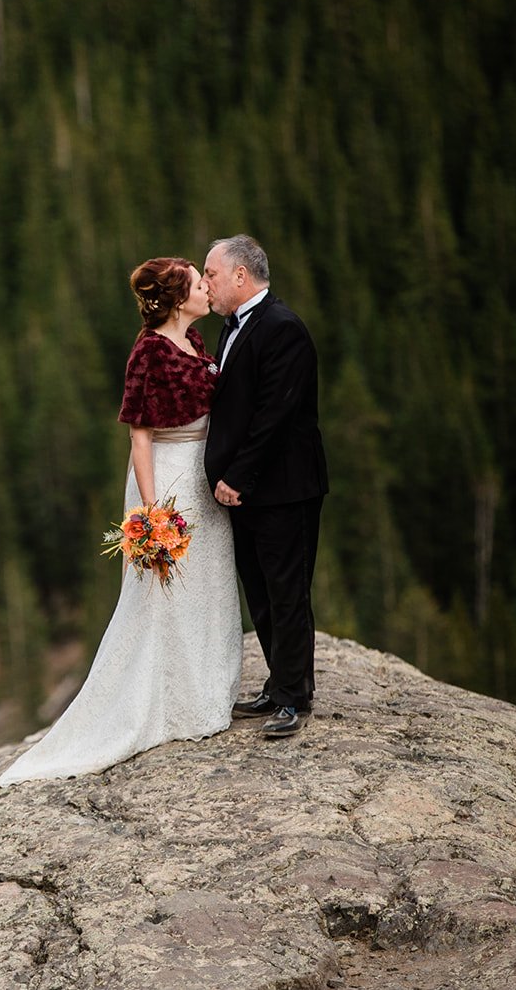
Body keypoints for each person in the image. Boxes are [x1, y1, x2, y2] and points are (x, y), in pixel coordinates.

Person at [0, 257, 242, 784]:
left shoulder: (197, 344)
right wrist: (151, 511)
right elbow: (140, 435)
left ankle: (204, 694)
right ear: (179, 300)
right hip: (169, 476)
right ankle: (161, 702)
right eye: (200, 283)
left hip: (202, 473)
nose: (207, 288)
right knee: (165, 591)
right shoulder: (148, 351)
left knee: (209, 581)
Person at [201, 235, 328, 738]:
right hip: (252, 489)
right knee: (259, 588)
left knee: (287, 590)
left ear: (239, 275)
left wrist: (237, 476)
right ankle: (279, 684)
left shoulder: (282, 328)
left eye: (210, 273)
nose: (204, 282)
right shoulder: (233, 327)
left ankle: (295, 698)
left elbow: (275, 415)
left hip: (285, 486)